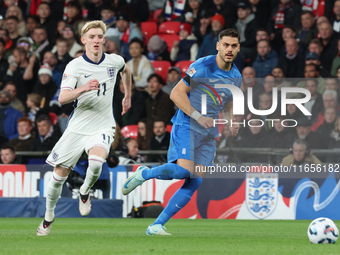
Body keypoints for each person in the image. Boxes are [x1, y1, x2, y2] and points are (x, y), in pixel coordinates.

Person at [121, 28, 241, 235]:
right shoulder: (203, 67)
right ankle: (145, 173)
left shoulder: (236, 76)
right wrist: (198, 116)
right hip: (187, 124)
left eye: (234, 45)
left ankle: (156, 225)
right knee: (183, 171)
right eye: (226, 45)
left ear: (238, 48)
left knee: (196, 180)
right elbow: (176, 94)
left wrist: (231, 120)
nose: (230, 49)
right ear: (218, 46)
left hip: (208, 133)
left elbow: (228, 103)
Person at [36, 20, 132, 236]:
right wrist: (83, 88)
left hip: (103, 124)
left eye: (99, 36)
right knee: (57, 178)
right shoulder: (75, 66)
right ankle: (48, 216)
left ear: (104, 39)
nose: (96, 40)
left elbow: (126, 72)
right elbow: (62, 98)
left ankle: (85, 190)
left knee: (96, 163)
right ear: (83, 40)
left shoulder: (115, 61)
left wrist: (127, 95)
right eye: (92, 37)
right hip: (78, 127)